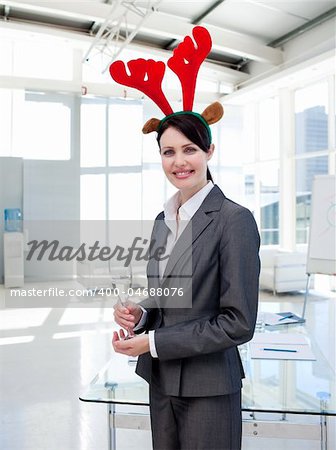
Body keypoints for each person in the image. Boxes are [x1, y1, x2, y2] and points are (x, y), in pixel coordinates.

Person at [112, 111, 260, 450]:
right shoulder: (162, 220)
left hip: (208, 387)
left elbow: (238, 323)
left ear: (209, 152)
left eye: (189, 149)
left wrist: (152, 343)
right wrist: (142, 315)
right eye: (168, 152)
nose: (179, 161)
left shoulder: (234, 220)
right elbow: (165, 296)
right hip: (161, 381)